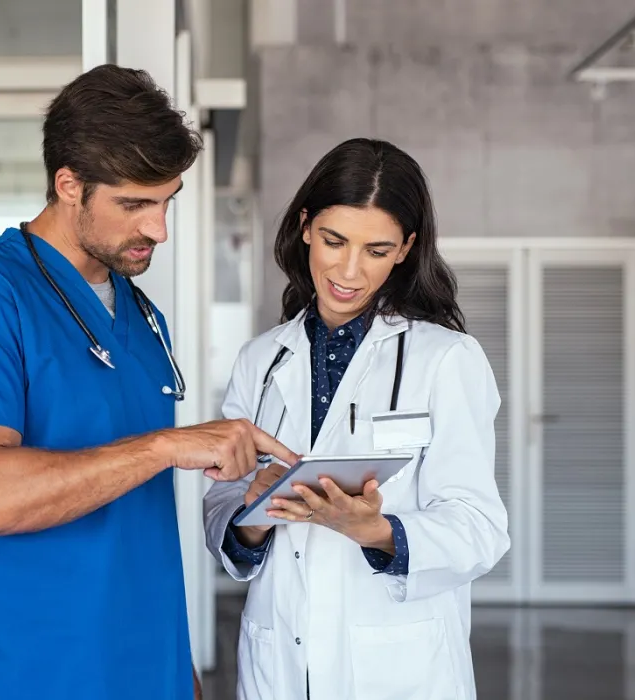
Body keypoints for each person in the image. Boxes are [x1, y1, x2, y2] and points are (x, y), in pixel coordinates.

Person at [0, 64, 297, 700]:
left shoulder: (141, 316)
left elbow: (139, 521)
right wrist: (165, 446)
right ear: (69, 185)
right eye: (134, 204)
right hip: (38, 674)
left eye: (167, 200)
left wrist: (179, 669)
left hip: (150, 668)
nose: (158, 229)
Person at [203, 138, 510, 700]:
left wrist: (375, 530)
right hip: (281, 664)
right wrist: (255, 512)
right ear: (304, 227)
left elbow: (480, 528)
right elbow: (221, 506)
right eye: (334, 240)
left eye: (376, 249)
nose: (348, 270)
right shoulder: (261, 359)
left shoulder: (446, 359)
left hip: (400, 669)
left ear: (405, 250)